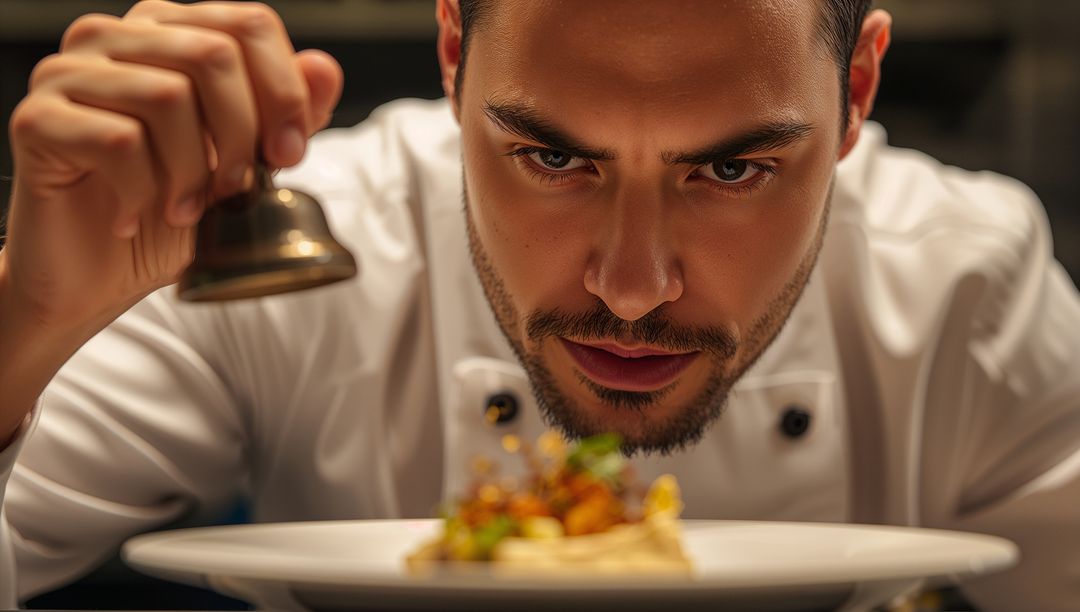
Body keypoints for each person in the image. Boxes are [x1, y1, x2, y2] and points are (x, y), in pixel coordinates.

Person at [0, 0, 1077, 609]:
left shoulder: (962, 285)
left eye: (732, 171)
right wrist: (28, 315)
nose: (633, 288)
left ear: (856, 93)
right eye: (554, 159)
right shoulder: (284, 248)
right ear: (453, 59)